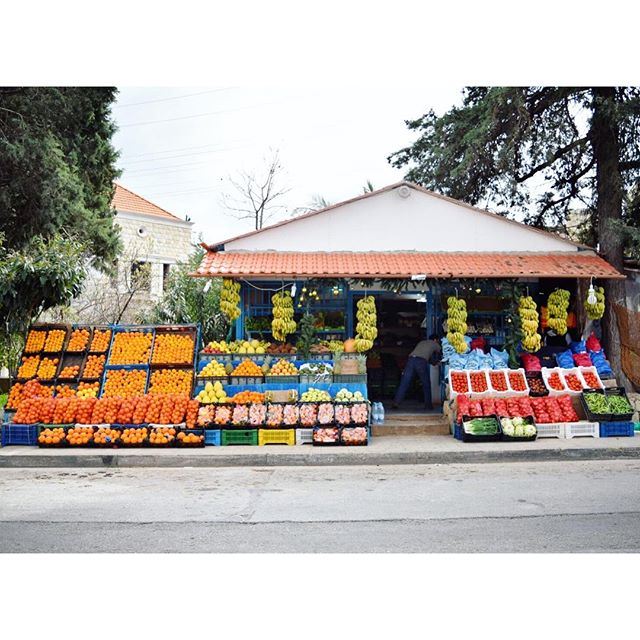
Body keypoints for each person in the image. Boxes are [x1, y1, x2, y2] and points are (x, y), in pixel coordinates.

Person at [392, 334, 441, 411]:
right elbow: (441, 351)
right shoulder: (434, 344)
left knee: (404, 383)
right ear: (435, 340)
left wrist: (433, 362)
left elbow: (425, 355)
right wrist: (437, 362)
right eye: (438, 340)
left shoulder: (422, 342)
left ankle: (396, 403)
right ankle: (428, 405)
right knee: (426, 384)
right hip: (421, 362)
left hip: (411, 360)